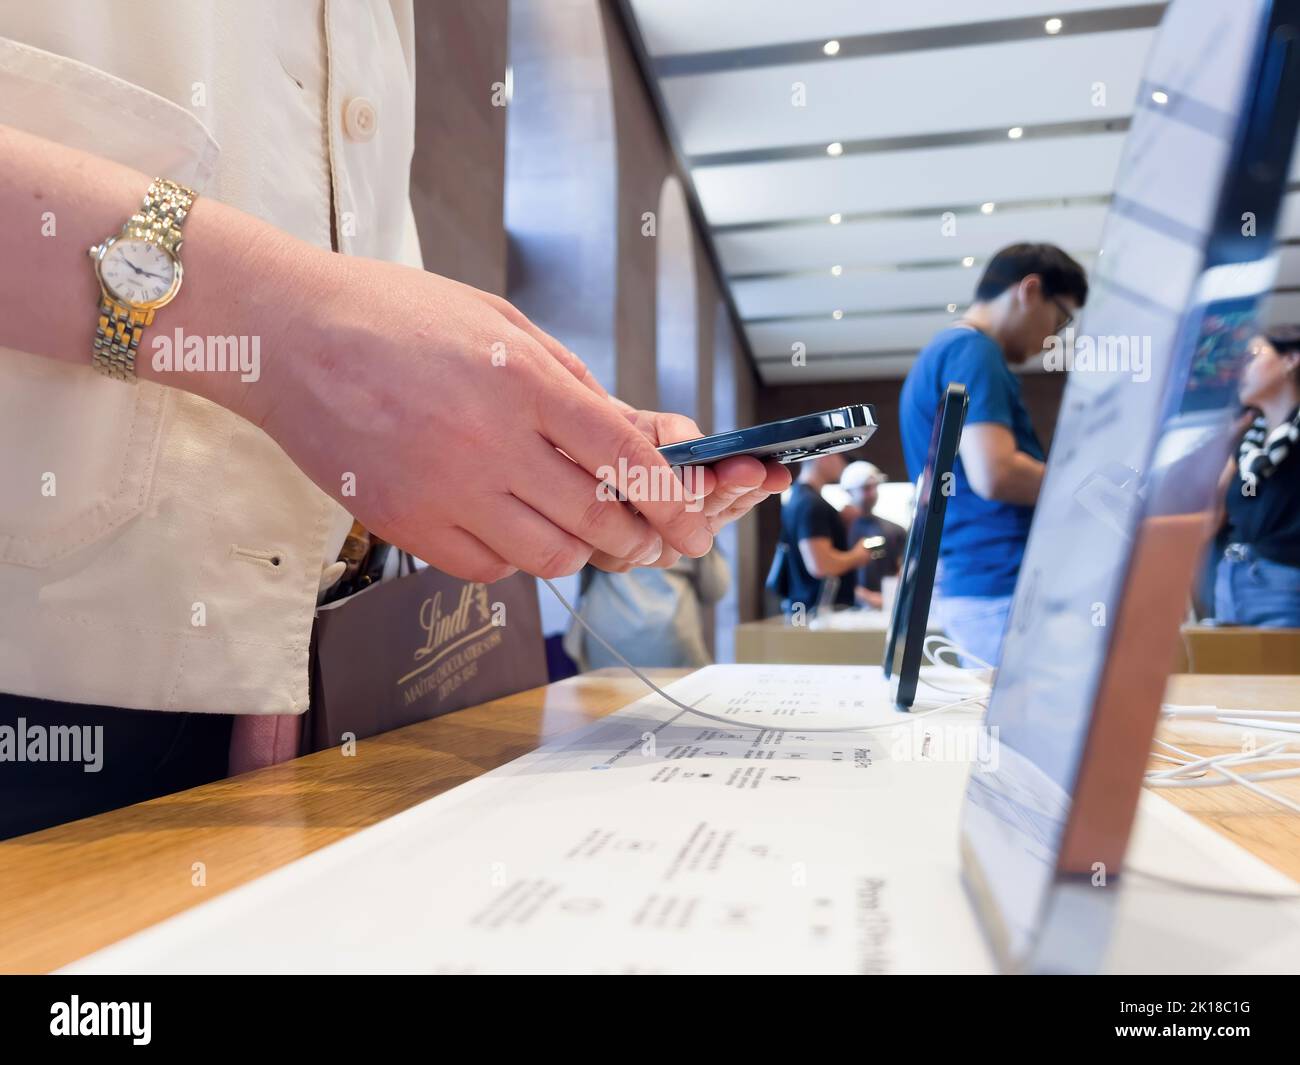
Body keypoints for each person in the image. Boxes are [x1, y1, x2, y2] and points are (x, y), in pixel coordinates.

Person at [0, 7, 790, 839]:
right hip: (49, 674)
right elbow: (326, 315)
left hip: (317, 691)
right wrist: (298, 335)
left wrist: (567, 447)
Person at [899, 243, 1087, 665]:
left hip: (977, 582)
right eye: (1061, 318)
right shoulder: (974, 351)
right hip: (1001, 583)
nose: (1053, 336)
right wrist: (1086, 485)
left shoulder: (945, 351)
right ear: (1030, 290)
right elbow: (995, 472)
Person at [1215, 328, 1300, 627]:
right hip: (1232, 581)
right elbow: (1208, 519)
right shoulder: (1246, 443)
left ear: (1291, 359)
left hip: (1287, 584)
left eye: (1252, 356)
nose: (1241, 369)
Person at [563, 550, 730, 669]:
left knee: (609, 710)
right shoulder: (688, 512)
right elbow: (715, 587)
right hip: (669, 639)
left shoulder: (601, 504)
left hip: (605, 634)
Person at [777, 453, 875, 615]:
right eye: (842, 457)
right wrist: (858, 555)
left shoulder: (798, 497)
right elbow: (820, 565)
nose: (845, 466)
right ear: (824, 457)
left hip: (803, 606)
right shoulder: (811, 503)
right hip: (816, 611)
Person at [840, 461, 905, 610]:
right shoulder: (838, 529)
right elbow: (829, 571)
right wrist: (864, 596)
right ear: (849, 491)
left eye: (875, 487)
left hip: (886, 608)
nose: (873, 493)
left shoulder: (894, 530)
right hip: (844, 609)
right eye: (866, 488)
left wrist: (889, 599)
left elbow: (903, 571)